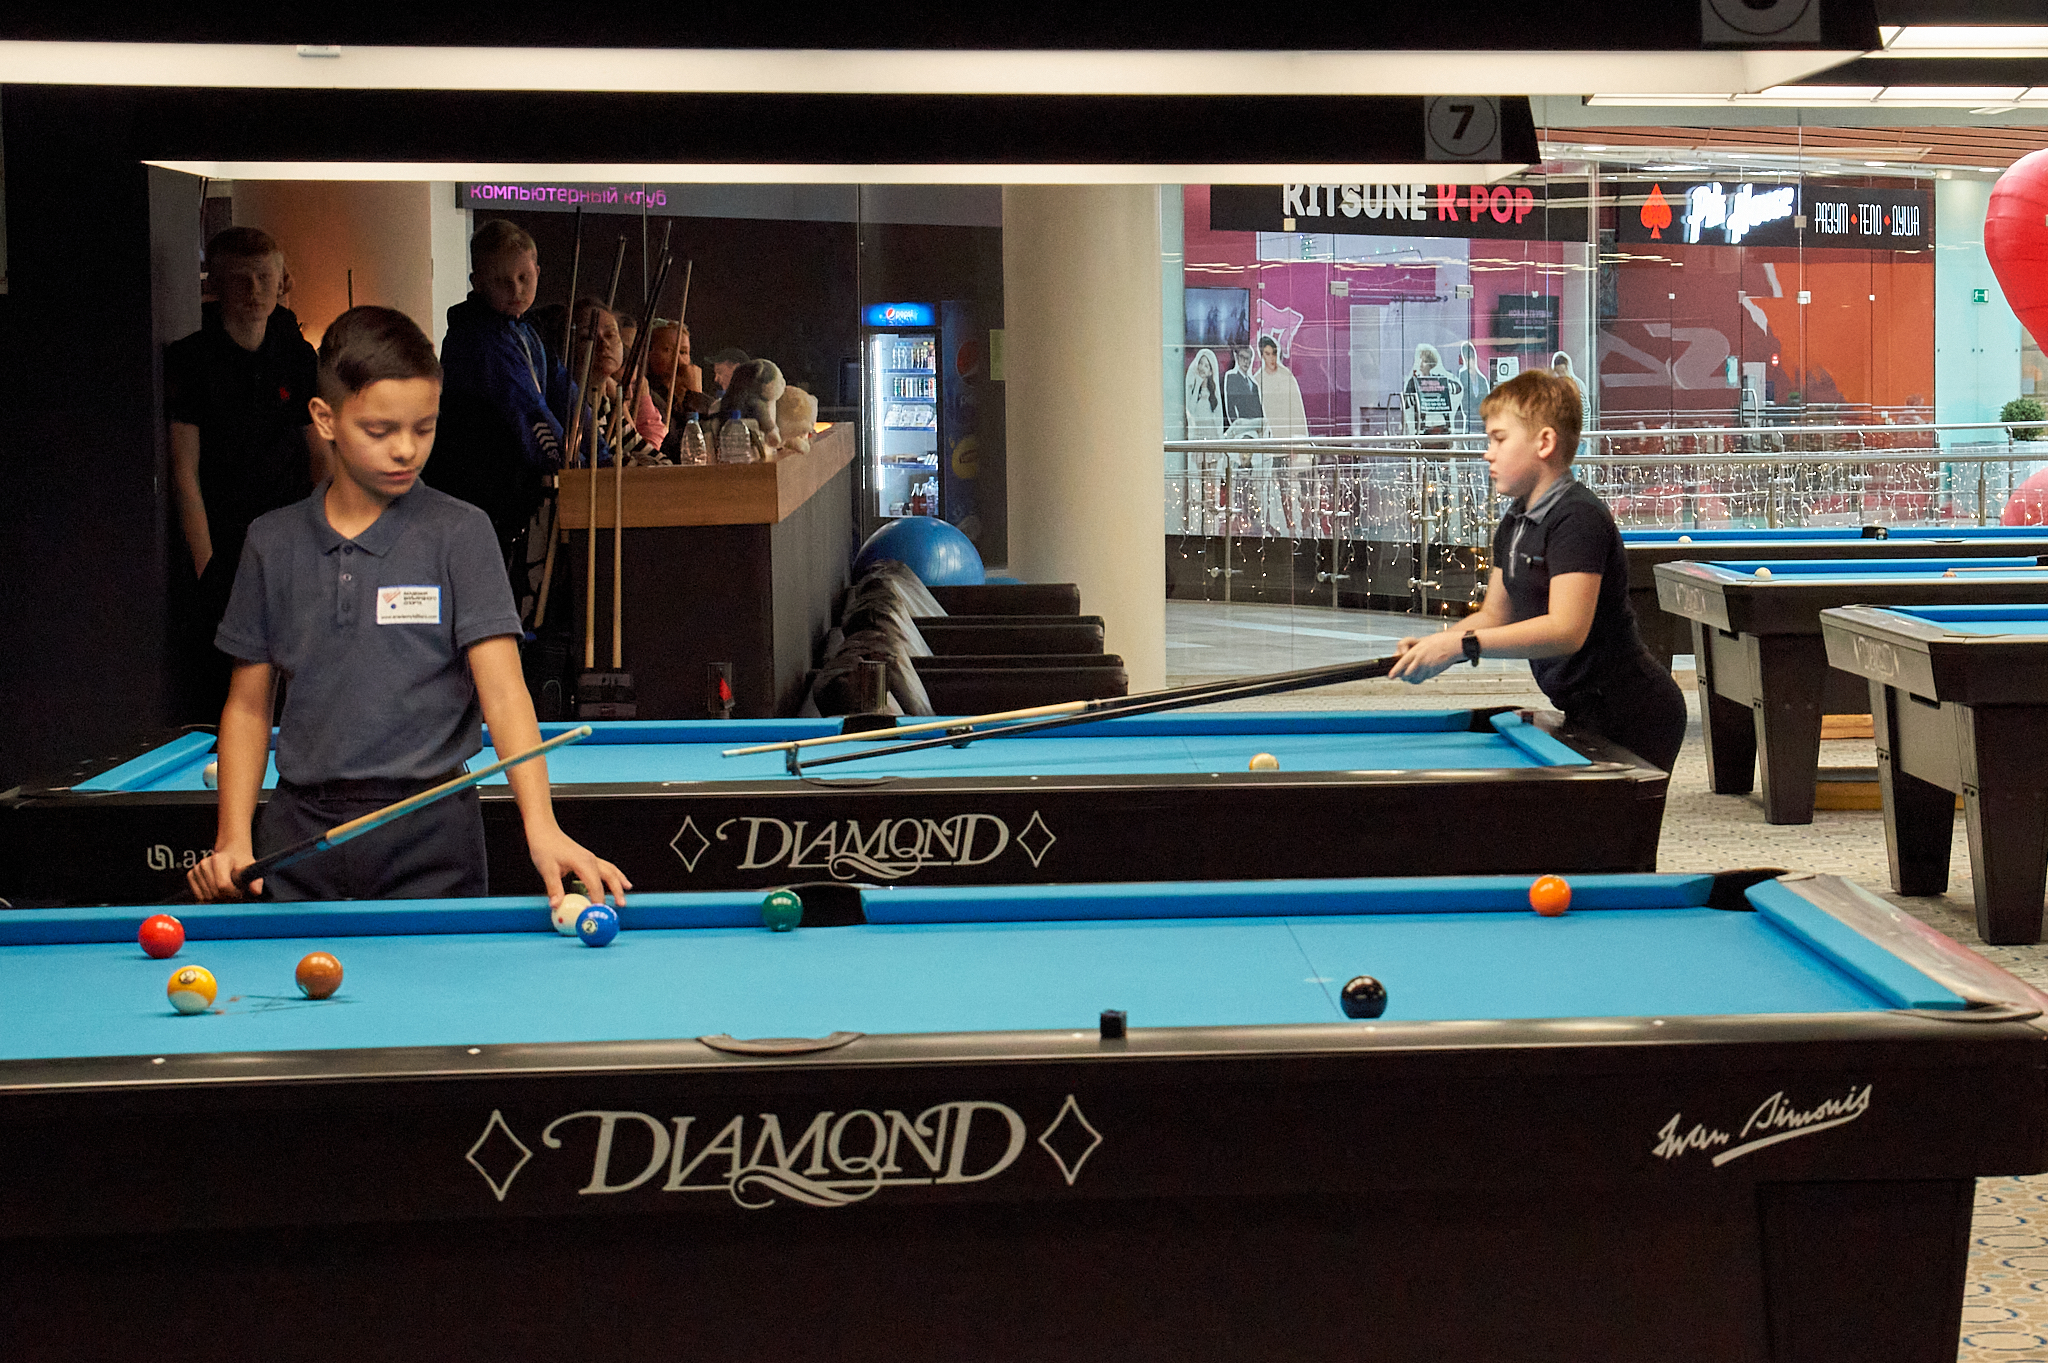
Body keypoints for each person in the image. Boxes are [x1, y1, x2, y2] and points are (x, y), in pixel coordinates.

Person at [187, 306, 630, 910]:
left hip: (433, 833)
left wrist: (542, 826)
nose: (406, 450)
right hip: (298, 838)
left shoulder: (461, 533)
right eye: (380, 430)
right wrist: (233, 839)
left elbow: (504, 693)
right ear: (324, 418)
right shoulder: (271, 541)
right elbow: (247, 706)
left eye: (424, 428)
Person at [1388, 368, 1687, 773]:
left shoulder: (1578, 517)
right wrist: (1436, 645)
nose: (1488, 453)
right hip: (1582, 708)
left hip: (1636, 714)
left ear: (1544, 442)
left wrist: (1463, 646)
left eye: (1499, 439)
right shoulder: (1515, 520)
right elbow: (1495, 616)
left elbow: (1566, 630)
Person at [165, 226, 326, 722]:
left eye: (264, 277)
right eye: (240, 279)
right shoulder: (191, 359)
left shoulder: (296, 355)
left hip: (293, 532)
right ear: (215, 285)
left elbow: (319, 453)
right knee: (230, 678)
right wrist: (206, 567)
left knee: (299, 673)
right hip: (225, 538)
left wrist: (325, 535)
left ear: (282, 281)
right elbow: (185, 470)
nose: (254, 291)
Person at [430, 220, 594, 610]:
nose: (517, 290)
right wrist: (574, 464)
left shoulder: (526, 332)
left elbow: (569, 399)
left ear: (538, 270)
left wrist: (602, 455)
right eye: (503, 281)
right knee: (493, 595)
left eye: (524, 278)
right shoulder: (477, 339)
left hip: (510, 492)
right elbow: (528, 411)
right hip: (482, 494)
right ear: (477, 282)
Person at [1254, 335, 1311, 536]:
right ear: (1262, 355)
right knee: (1280, 488)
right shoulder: (1257, 380)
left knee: (1301, 486)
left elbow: (1298, 411)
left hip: (1291, 441)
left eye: (1274, 353)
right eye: (1267, 354)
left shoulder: (1287, 377)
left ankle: (1304, 524)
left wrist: (1298, 442)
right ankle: (1287, 527)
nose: (1271, 358)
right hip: (1272, 445)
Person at [1222, 346, 1264, 438]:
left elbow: (1259, 411)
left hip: (1255, 432)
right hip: (1241, 432)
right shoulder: (1232, 378)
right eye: (1243, 357)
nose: (1246, 361)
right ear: (1237, 358)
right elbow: (1230, 407)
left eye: (1248, 359)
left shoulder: (1254, 385)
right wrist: (1237, 428)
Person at [1184, 349, 1223, 439]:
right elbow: (1191, 410)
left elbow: (1218, 418)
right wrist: (1198, 384)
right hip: (1197, 433)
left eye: (1206, 366)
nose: (1202, 367)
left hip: (1211, 434)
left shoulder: (1213, 393)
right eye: (1200, 363)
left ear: (1210, 372)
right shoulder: (1194, 390)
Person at [1455, 340, 1491, 436]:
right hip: (1468, 421)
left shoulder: (1482, 380)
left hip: (1482, 422)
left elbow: (1485, 400)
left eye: (1470, 358)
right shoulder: (1461, 376)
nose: (1468, 361)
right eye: (1466, 358)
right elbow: (1463, 401)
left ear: (1474, 358)